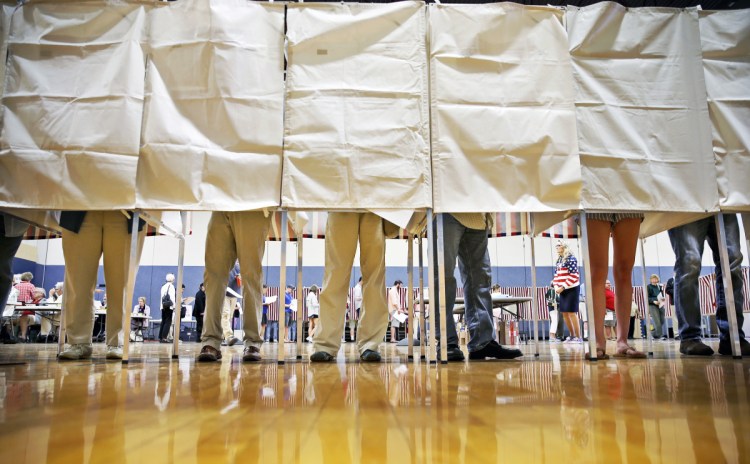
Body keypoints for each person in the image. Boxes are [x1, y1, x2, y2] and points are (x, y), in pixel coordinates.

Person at [432, 213, 523, 360]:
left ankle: (482, 342)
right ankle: (446, 342)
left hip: (477, 214)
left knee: (480, 278)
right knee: (442, 276)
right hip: (446, 207)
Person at [57, 211, 146, 360]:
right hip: (80, 206)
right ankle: (78, 341)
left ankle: (117, 341)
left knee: (121, 284)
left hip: (127, 208)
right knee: (77, 282)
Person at [310, 212, 389, 363]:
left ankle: (370, 344)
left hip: (374, 199)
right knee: (335, 273)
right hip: (341, 200)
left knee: (375, 275)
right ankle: (326, 344)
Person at [668, 215, 749, 356]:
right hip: (686, 201)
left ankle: (732, 337)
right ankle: (689, 337)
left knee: (733, 264)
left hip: (723, 201)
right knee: (689, 264)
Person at [197, 210, 272, 363]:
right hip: (221, 201)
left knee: (251, 274)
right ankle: (210, 340)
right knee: (213, 273)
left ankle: (252, 342)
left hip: (252, 202)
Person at [584, 213, 646, 359]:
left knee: (624, 271)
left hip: (628, 198)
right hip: (595, 198)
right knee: (597, 272)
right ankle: (598, 342)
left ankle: (622, 342)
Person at [553, 240, 582, 344]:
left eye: (558, 245)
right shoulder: (559, 260)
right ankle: (572, 335)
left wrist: (563, 286)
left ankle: (578, 337)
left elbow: (574, 276)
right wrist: (556, 286)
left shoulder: (571, 258)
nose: (556, 247)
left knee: (572, 313)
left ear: (564, 247)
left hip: (571, 288)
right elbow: (556, 276)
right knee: (564, 313)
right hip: (562, 289)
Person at [221, 262, 242, 346]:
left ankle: (223, 337)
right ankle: (229, 336)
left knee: (229, 316)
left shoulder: (239, 266)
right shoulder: (224, 263)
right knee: (225, 313)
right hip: (224, 293)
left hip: (234, 294)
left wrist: (241, 277)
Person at [646, 274, 666, 340]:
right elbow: (647, 297)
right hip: (652, 305)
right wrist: (653, 301)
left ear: (658, 280)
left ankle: (652, 334)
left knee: (662, 321)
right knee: (657, 321)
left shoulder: (659, 286)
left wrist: (663, 298)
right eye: (653, 279)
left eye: (656, 278)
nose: (655, 280)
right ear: (650, 280)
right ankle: (660, 336)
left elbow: (661, 294)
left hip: (660, 304)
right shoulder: (648, 287)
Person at [159, 273, 176, 343]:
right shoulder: (171, 286)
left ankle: (160, 336)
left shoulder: (163, 286)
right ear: (172, 279)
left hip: (163, 306)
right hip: (169, 306)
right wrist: (174, 306)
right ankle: (164, 337)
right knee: (168, 322)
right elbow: (172, 297)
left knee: (163, 321)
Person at [350, 277, 363, 342]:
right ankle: (359, 338)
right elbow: (357, 298)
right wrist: (363, 297)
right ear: (361, 280)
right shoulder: (358, 288)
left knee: (359, 323)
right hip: (359, 306)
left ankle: (359, 337)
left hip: (358, 306)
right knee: (360, 322)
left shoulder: (359, 287)